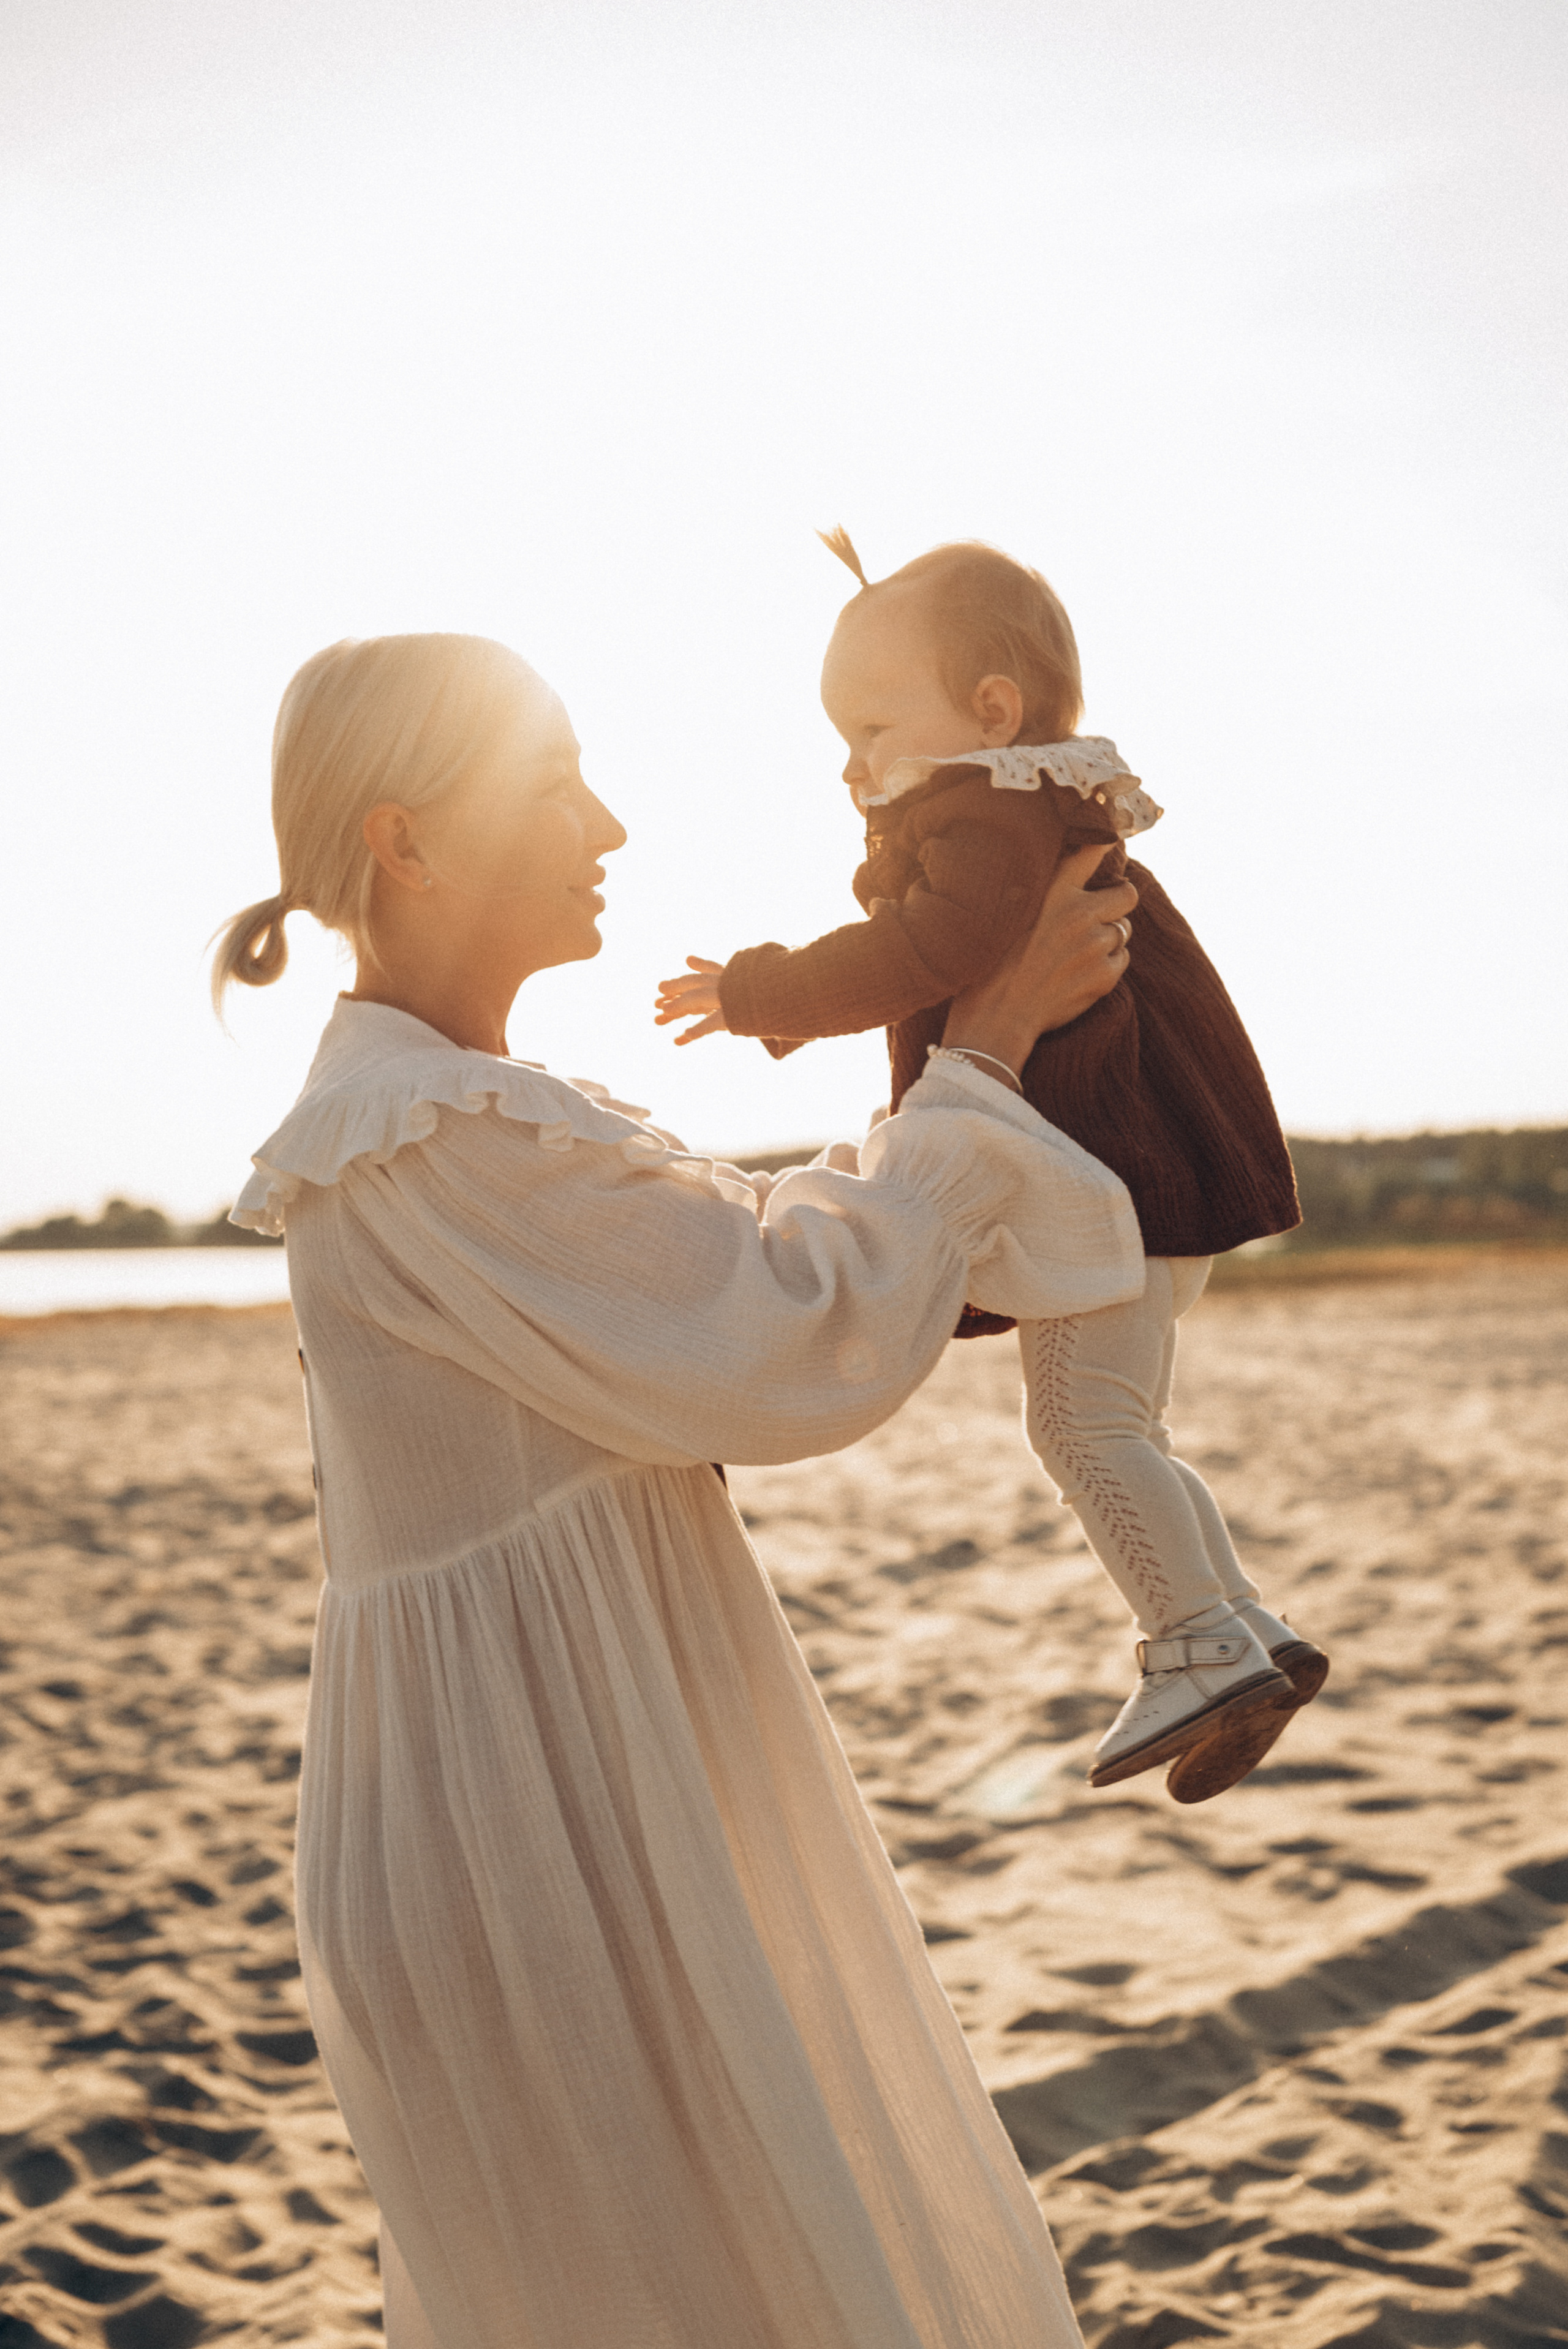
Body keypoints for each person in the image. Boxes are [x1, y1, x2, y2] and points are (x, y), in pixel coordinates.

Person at [213, 630, 1150, 2349]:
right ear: (408, 842)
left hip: (551, 1778)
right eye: (555, 780)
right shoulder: (429, 1133)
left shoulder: (445, 1111)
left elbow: (738, 1257)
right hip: (540, 1819)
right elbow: (791, 1324)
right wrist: (991, 1044)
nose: (612, 826)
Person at [655, 534, 1327, 1804]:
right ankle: (1241, 1627)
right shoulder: (1023, 808)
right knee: (1121, 1421)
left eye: (867, 725)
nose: (849, 763)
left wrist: (766, 990)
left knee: (1079, 1425)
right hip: (1135, 1177)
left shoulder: (985, 815)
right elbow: (925, 951)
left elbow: (929, 945)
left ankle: (1196, 1643)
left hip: (1097, 1173)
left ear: (990, 712)